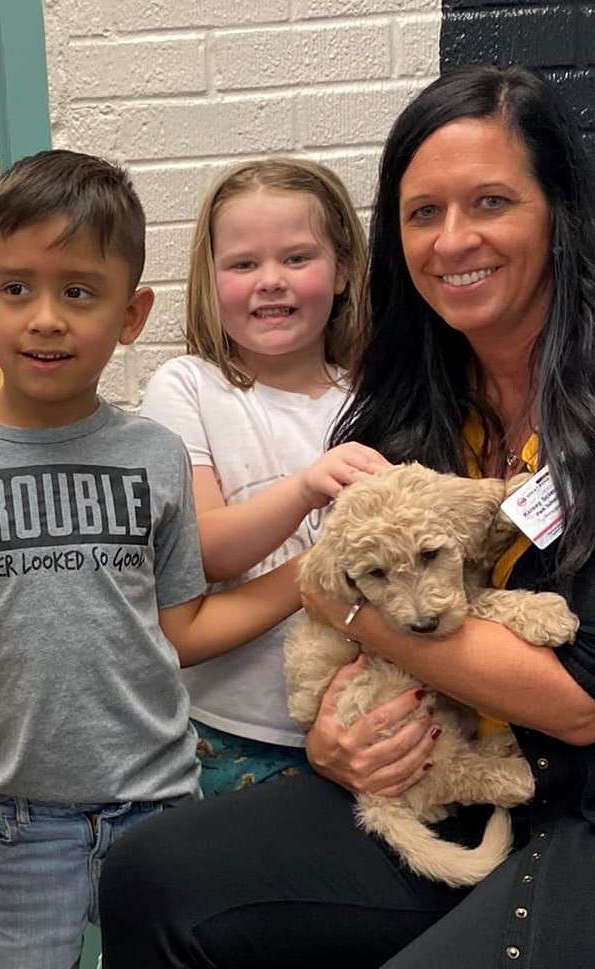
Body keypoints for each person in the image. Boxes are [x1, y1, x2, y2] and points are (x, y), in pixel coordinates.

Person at [100, 64, 595, 969]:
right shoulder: (410, 408)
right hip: (472, 782)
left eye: (490, 201)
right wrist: (331, 742)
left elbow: (585, 702)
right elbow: (341, 614)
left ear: (561, 212)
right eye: (422, 212)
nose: (453, 239)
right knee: (150, 875)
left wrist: (343, 606)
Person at [0, 149, 306, 969]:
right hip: (7, 820)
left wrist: (305, 580)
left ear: (132, 312)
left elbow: (179, 625)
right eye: (17, 289)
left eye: (79, 291)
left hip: (159, 806)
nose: (46, 318)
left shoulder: (155, 455)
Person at [140, 158, 389, 796]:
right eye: (244, 264)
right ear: (210, 277)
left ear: (343, 273)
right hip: (229, 732)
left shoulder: (379, 394)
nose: (270, 282)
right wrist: (308, 489)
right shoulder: (188, 387)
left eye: (298, 258)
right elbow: (198, 550)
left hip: (369, 721)